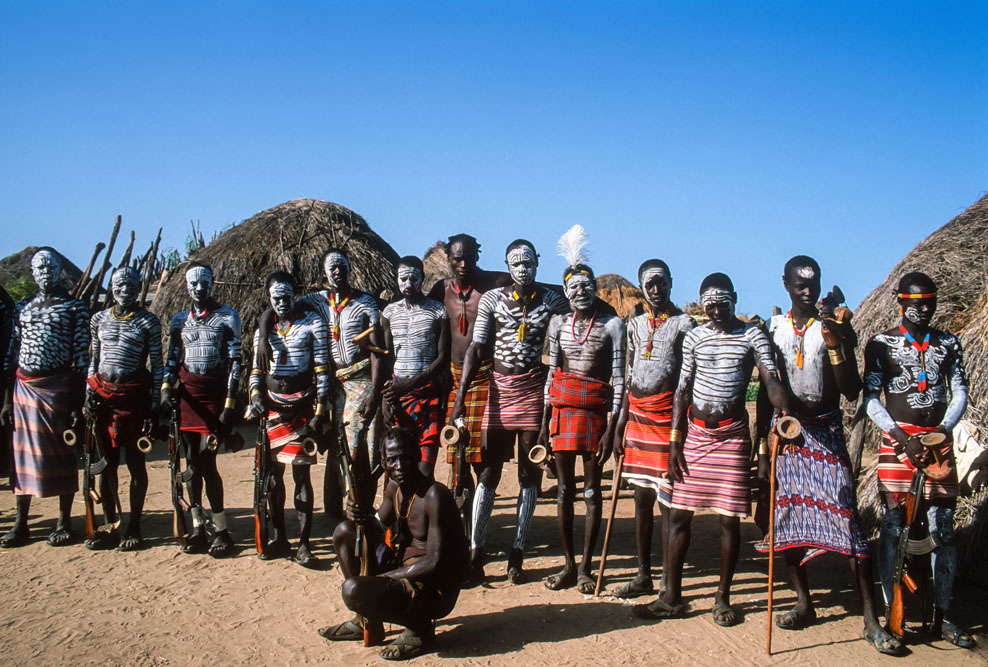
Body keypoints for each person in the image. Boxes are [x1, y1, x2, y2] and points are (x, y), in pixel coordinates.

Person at [754, 256, 898, 654]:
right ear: (785, 284)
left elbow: (850, 389)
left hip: (827, 432)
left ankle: (870, 620)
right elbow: (766, 393)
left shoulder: (831, 325)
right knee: (787, 520)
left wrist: (836, 343)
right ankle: (804, 601)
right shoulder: (773, 329)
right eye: (800, 284)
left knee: (847, 521)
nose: (807, 290)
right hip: (788, 435)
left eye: (813, 283)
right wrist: (763, 449)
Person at [635, 272, 788, 626]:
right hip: (696, 436)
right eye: (710, 305)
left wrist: (784, 409)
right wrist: (676, 442)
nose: (717, 311)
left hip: (732, 437)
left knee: (728, 520)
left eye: (723, 303)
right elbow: (682, 391)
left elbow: (770, 381)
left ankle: (722, 598)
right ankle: (671, 597)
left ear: (734, 299)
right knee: (678, 514)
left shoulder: (752, 335)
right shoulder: (695, 337)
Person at [863, 271, 977, 649]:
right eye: (916, 303)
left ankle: (942, 616)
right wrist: (901, 437)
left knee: (943, 530)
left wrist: (943, 429)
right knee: (893, 527)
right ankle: (890, 611)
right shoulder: (881, 344)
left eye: (929, 302)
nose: (924, 309)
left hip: (938, 444)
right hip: (898, 446)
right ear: (901, 302)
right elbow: (871, 399)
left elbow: (959, 391)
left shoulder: (949, 343)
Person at [450, 239, 569, 584]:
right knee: (488, 474)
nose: (523, 269)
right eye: (516, 264)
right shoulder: (492, 299)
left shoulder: (551, 300)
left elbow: (583, 308)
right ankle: (476, 551)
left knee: (529, 475)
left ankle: (517, 552)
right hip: (499, 392)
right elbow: (476, 347)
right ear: (507, 266)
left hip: (533, 391)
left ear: (537, 264)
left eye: (528, 263)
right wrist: (459, 398)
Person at [321, 427, 468, 661]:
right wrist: (356, 514)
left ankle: (420, 629)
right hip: (404, 569)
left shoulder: (434, 495)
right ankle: (366, 621)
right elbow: (376, 526)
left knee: (353, 590)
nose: (399, 466)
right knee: (344, 532)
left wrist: (385, 578)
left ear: (417, 456)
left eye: (405, 458)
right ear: (384, 463)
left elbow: (435, 562)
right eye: (392, 460)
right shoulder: (394, 488)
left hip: (433, 588)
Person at [257, 248, 383, 516]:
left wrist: (375, 390)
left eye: (341, 265)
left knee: (357, 441)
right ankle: (337, 508)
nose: (337, 270)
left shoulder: (365, 302)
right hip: (331, 385)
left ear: (350, 267)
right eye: (331, 267)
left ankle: (358, 503)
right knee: (335, 443)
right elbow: (276, 307)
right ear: (324, 273)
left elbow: (376, 351)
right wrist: (262, 338)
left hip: (359, 380)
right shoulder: (316, 301)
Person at [539, 226, 626, 593]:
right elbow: (551, 376)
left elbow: (619, 380)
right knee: (563, 491)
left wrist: (612, 429)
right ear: (565, 292)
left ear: (595, 288)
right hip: (562, 412)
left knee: (591, 492)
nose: (580, 292)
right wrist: (544, 425)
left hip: (594, 415)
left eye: (586, 286)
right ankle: (568, 565)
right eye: (573, 287)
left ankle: (588, 567)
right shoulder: (557, 324)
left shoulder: (613, 325)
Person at [612, 259, 695, 598]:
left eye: (661, 282)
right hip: (637, 418)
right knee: (641, 498)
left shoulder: (684, 324)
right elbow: (629, 375)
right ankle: (643, 573)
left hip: (666, 420)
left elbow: (687, 381)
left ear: (671, 282)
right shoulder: (634, 325)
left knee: (668, 500)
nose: (656, 289)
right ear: (641, 288)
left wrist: (679, 430)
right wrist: (620, 423)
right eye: (650, 285)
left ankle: (667, 580)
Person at [0, 248, 89, 547]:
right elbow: (12, 353)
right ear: (32, 272)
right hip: (23, 388)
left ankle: (64, 522)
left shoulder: (74, 308)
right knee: (22, 455)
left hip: (58, 388)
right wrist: (6, 400)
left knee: (61, 452)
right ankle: (21, 523)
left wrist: (76, 403)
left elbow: (82, 358)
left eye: (51, 267)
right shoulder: (22, 307)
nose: (45, 273)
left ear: (59, 271)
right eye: (39, 268)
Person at [248, 271, 330, 567]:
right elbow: (256, 371)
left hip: (302, 409)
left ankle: (304, 543)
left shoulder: (313, 323)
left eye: (286, 296)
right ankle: (280, 537)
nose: (282, 302)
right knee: (272, 478)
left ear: (295, 294)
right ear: (268, 298)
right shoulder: (263, 331)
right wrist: (255, 396)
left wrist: (320, 412)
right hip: (271, 411)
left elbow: (323, 369)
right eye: (276, 297)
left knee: (301, 475)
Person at [161, 262, 241, 557]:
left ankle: (220, 529)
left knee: (208, 464)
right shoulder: (179, 320)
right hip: (187, 396)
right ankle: (197, 526)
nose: (199, 287)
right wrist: (166, 389)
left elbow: (236, 363)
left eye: (204, 282)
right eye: (193, 283)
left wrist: (229, 406)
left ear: (212, 283)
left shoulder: (228, 316)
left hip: (213, 395)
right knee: (191, 464)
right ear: (186, 286)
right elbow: (172, 361)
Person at [84, 267, 164, 551]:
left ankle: (133, 527)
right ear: (111, 286)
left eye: (131, 284)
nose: (125, 289)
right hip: (103, 398)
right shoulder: (99, 320)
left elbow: (157, 365)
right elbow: (94, 360)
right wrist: (88, 393)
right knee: (105, 464)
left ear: (138, 288)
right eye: (119, 284)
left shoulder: (148, 322)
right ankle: (110, 525)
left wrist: (154, 406)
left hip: (134, 398)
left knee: (135, 462)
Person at [428, 234, 500, 529]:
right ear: (448, 259)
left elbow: (535, 286)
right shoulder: (440, 289)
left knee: (482, 459)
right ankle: (462, 528)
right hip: (453, 379)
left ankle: (476, 532)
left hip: (484, 378)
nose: (463, 264)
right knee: (458, 458)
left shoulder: (494, 283)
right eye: (457, 259)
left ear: (477, 256)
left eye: (468, 258)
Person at [380, 256, 450, 477]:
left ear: (423, 277)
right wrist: (386, 396)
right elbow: (387, 358)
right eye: (403, 279)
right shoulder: (389, 313)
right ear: (396, 279)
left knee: (425, 467)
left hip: (428, 395)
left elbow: (442, 358)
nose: (408, 284)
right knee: (398, 466)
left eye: (414, 278)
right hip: (398, 395)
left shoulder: (438, 311)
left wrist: (410, 384)